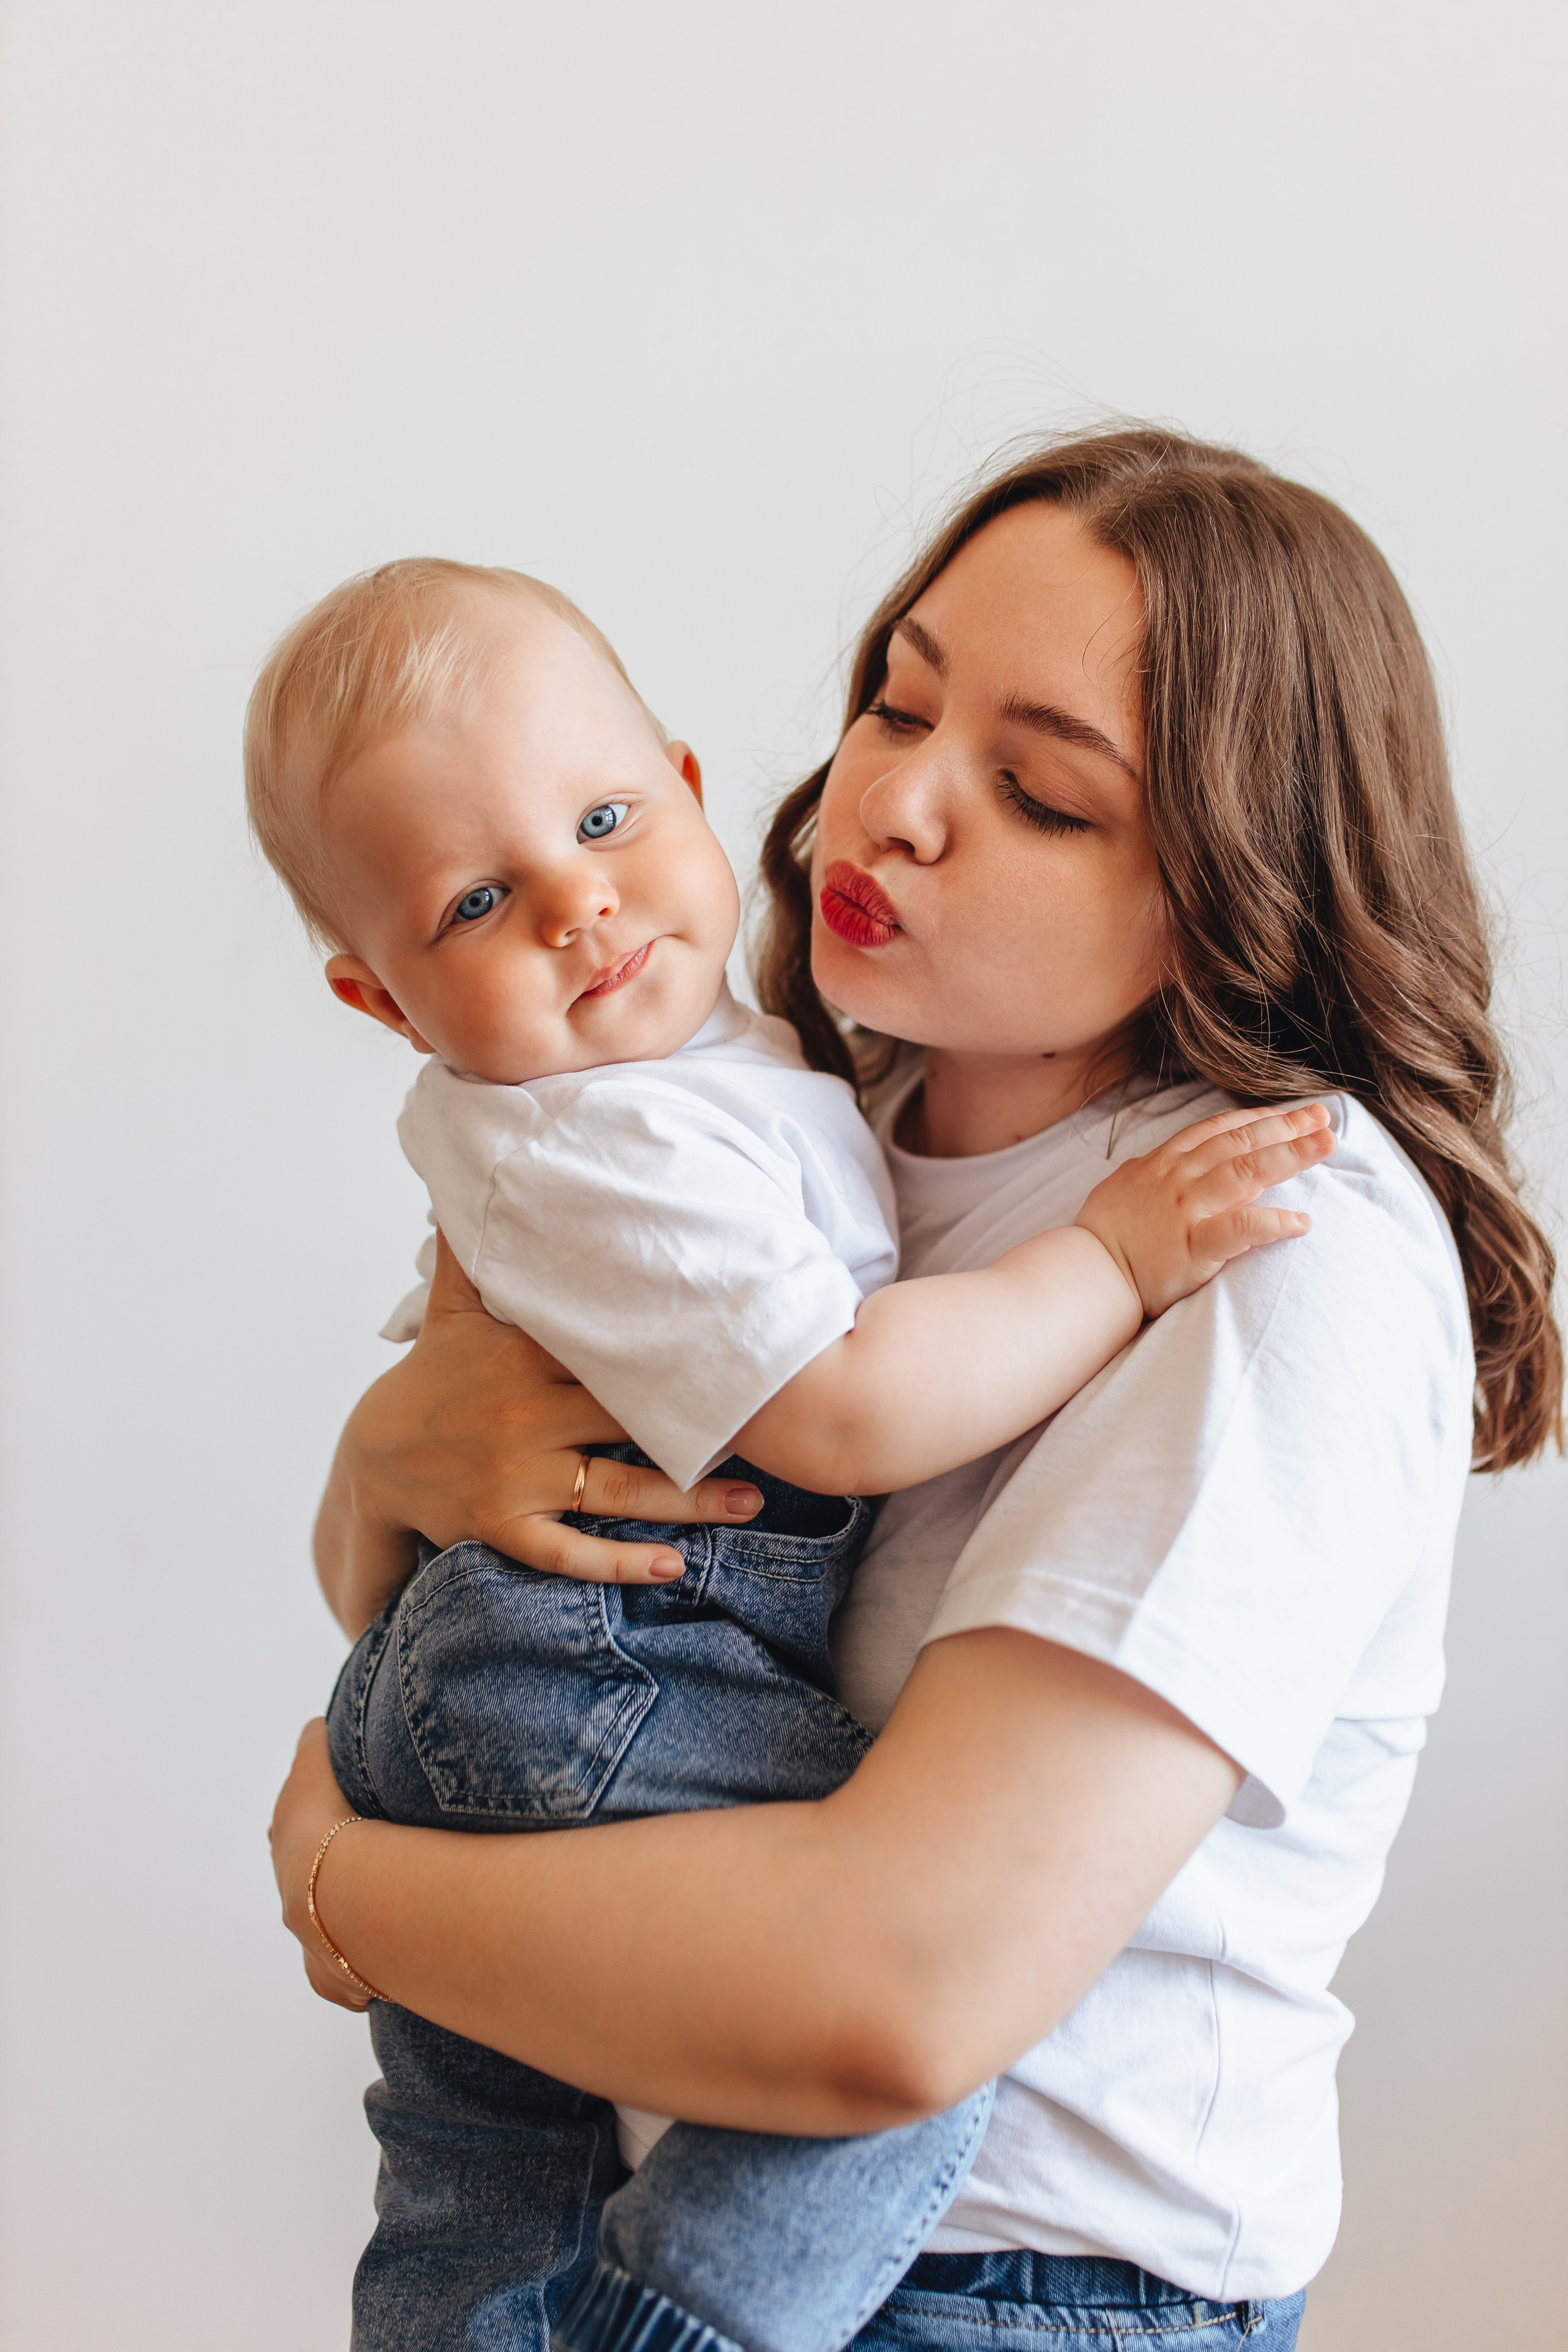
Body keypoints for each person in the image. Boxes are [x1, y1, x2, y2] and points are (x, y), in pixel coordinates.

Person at [270, 427, 1562, 2352]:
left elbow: (906, 1998)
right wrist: (385, 1464)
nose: (897, 804)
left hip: (1007, 2285)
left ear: (1236, 873)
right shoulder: (794, 1138)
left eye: (1039, 794)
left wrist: (342, 1878)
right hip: (644, 2187)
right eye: (900, 699)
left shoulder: (1270, 1232)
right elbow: (471, 1564)